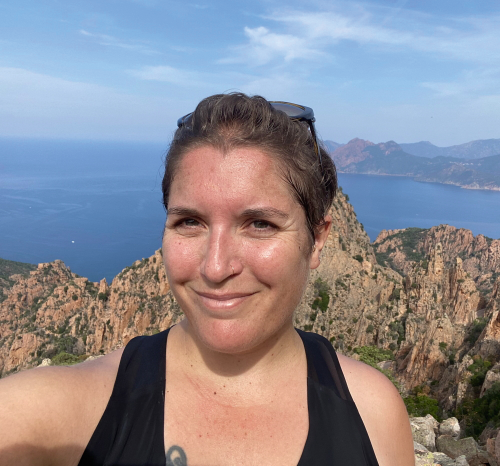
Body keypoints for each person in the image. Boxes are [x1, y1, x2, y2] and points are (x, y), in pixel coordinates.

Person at [0, 93, 415, 466]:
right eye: (190, 221)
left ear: (317, 240)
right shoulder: (54, 413)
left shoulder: (374, 412)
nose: (215, 268)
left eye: (260, 224)